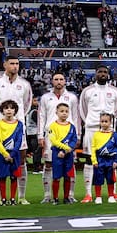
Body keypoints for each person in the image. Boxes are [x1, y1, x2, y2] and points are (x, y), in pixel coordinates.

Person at [0, 57, 34, 205]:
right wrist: (0, 120)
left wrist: (16, 120)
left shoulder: (24, 85)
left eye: (17, 64)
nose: (15, 66)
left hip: (18, 128)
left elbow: (26, 105)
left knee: (21, 161)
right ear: (5, 65)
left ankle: (21, 196)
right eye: (12, 63)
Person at [77, 65, 117, 203]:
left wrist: (108, 124)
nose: (103, 74)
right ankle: (88, 194)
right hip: (92, 129)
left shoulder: (115, 91)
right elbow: (82, 110)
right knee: (90, 160)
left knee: (112, 160)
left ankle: (113, 193)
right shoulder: (87, 91)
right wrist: (91, 122)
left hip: (109, 131)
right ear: (95, 73)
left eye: (105, 72)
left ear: (108, 74)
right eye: (100, 72)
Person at [37, 72, 79, 204]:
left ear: (65, 81)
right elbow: (41, 116)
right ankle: (47, 195)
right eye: (56, 79)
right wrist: (40, 135)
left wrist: (78, 135)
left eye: (61, 79)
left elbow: (76, 117)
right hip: (51, 135)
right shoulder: (45, 98)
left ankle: (70, 195)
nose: (59, 81)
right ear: (52, 81)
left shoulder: (71, 97)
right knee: (48, 164)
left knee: (70, 165)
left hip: (68, 134)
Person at [0, 100, 25, 205]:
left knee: (14, 176)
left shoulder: (19, 124)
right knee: (2, 176)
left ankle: (12, 199)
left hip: (15, 154)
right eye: (6, 108)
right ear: (2, 111)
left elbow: (19, 140)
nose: (9, 110)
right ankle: (3, 199)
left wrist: (13, 154)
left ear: (15, 110)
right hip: (3, 154)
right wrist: (6, 154)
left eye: (11, 108)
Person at [46, 102, 79, 204]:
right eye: (62, 111)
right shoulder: (52, 126)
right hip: (57, 154)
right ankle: (55, 198)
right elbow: (54, 140)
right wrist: (64, 148)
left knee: (67, 176)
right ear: (56, 112)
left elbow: (74, 140)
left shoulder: (72, 127)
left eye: (66, 111)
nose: (64, 113)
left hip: (68, 155)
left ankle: (66, 197)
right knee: (56, 177)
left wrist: (67, 150)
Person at [89, 112, 117, 204]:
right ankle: (98, 197)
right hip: (99, 160)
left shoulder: (114, 135)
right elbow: (93, 148)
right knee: (98, 179)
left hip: (110, 160)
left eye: (106, 121)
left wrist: (116, 160)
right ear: (100, 122)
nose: (104, 123)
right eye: (102, 121)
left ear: (110, 122)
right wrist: (94, 160)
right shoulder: (96, 134)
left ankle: (111, 196)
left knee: (110, 179)